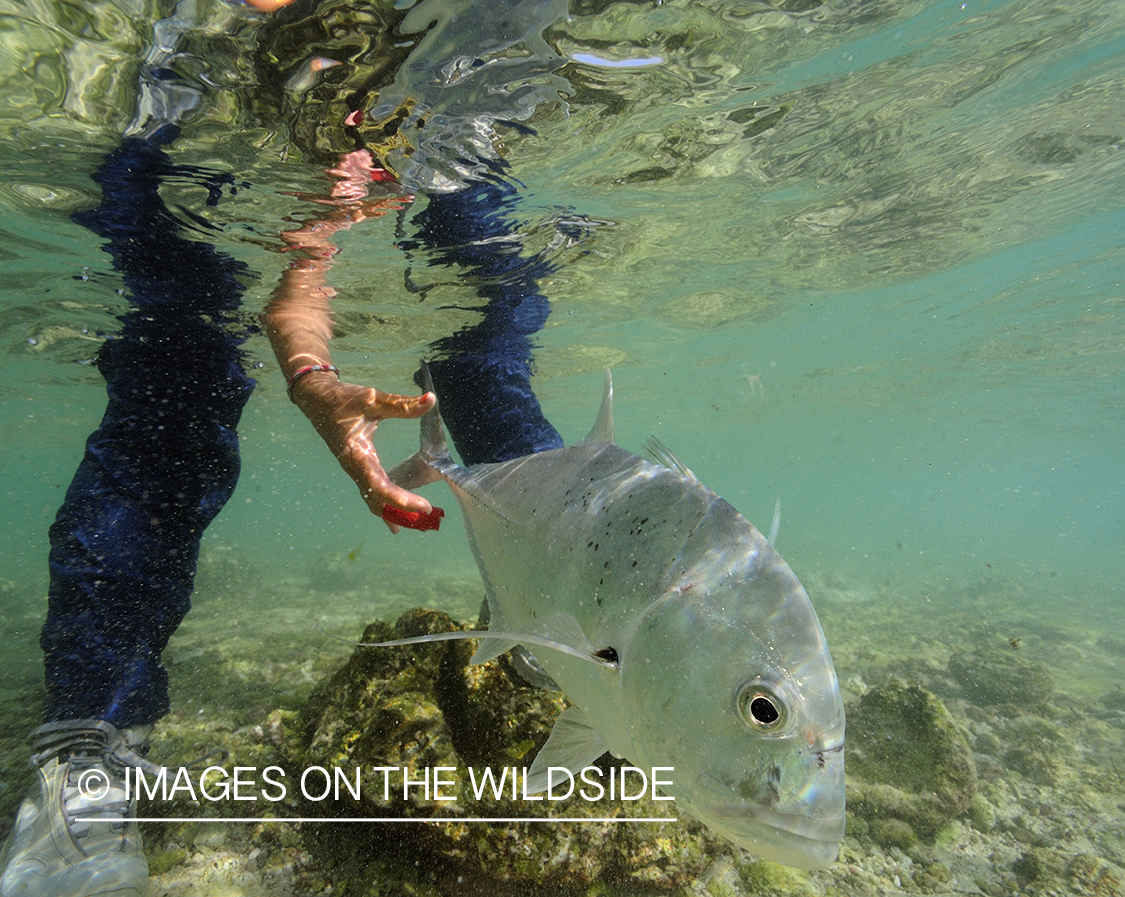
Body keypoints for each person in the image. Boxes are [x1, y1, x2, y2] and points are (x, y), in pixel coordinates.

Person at [0, 0, 571, 894]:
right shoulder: (217, 67)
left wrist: (312, 370)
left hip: (412, 121)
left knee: (485, 356)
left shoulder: (430, 89)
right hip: (203, 136)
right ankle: (86, 750)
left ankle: (575, 622)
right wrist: (311, 379)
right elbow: (301, 275)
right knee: (171, 374)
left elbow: (308, 263)